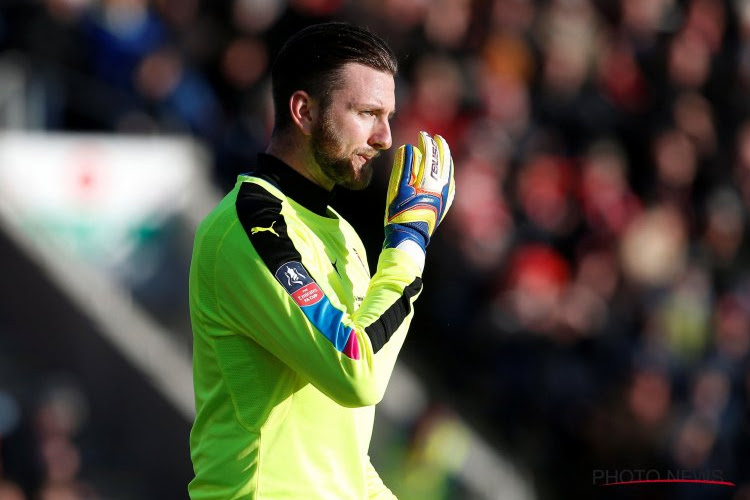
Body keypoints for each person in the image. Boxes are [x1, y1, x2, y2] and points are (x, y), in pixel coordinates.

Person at [187, 21, 455, 499]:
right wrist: (409, 241)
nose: (386, 138)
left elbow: (344, 457)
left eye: (388, 116)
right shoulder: (252, 226)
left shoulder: (342, 233)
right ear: (304, 110)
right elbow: (357, 371)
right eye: (368, 113)